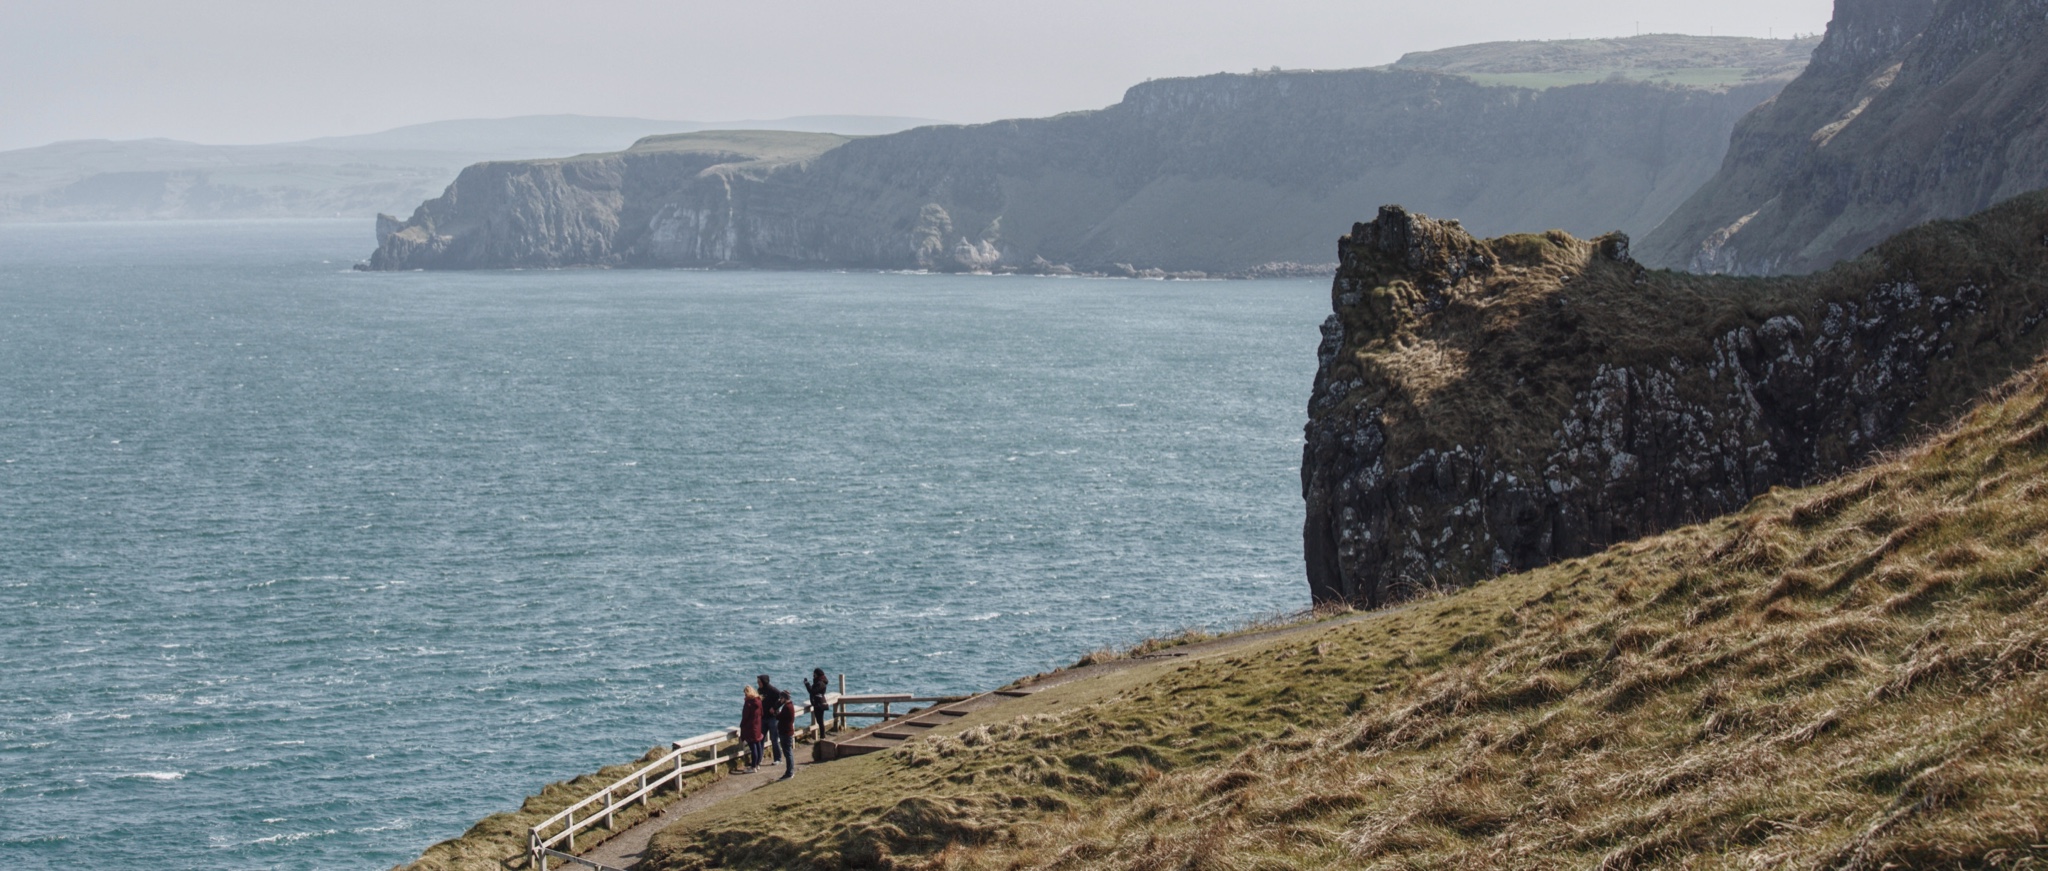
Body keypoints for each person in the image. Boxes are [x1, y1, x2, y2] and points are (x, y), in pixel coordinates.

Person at [771, 689, 798, 780]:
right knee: (788, 753)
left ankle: (789, 772)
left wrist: (774, 712)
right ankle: (789, 771)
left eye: (781, 698)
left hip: (786, 733)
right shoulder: (790, 705)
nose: (780, 700)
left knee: (788, 753)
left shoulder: (787, 707)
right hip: (787, 732)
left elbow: (779, 717)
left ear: (784, 698)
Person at [756, 675, 783, 763]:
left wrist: (775, 708)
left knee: (774, 739)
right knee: (760, 739)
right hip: (763, 718)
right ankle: (759, 759)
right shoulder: (759, 690)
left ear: (764, 682)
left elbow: (782, 698)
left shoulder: (773, 690)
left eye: (759, 682)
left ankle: (778, 758)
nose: (758, 683)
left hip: (773, 718)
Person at [739, 685, 764, 773]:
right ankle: (757, 764)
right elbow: (762, 713)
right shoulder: (758, 701)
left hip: (750, 727)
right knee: (758, 745)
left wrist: (741, 726)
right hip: (758, 726)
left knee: (753, 747)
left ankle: (753, 766)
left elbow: (745, 717)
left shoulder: (748, 703)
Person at [803, 668, 831, 737]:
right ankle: (822, 736)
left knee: (820, 721)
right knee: (820, 721)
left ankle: (822, 737)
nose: (813, 675)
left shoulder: (820, 683)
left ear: (817, 674)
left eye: (814, 674)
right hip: (818, 703)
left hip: (819, 704)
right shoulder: (819, 682)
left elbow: (812, 691)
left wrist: (807, 684)